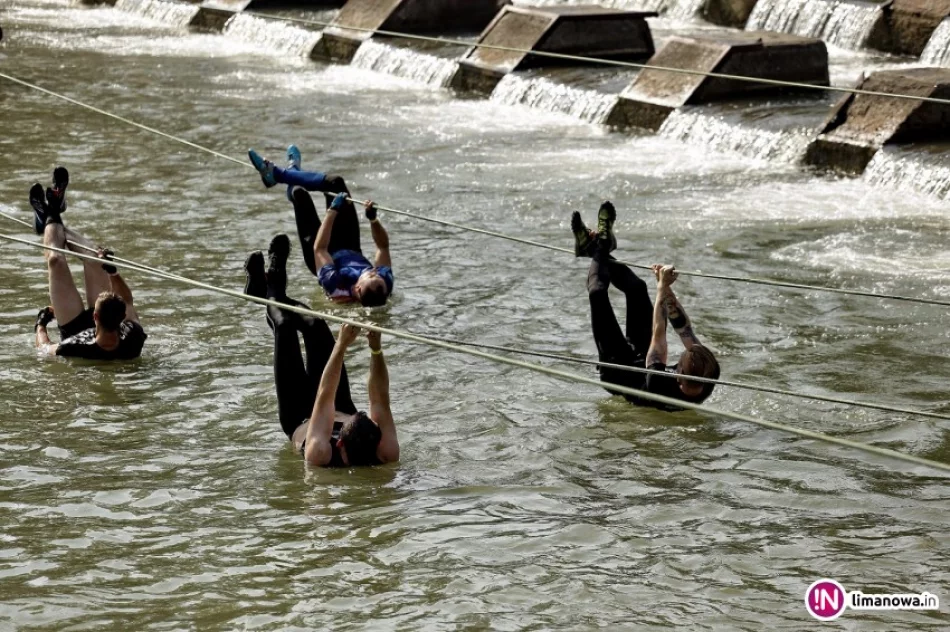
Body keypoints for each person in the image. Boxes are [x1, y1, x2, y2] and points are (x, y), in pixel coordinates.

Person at [245, 234, 399, 467]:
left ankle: (273, 284)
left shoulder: (320, 453)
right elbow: (380, 399)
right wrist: (376, 350)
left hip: (299, 415)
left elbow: (325, 395)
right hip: (340, 403)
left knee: (284, 326)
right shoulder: (386, 451)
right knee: (315, 324)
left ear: (339, 443)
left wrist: (341, 345)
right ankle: (267, 292)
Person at [572, 201, 720, 409]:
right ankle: (593, 247)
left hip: (618, 372)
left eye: (678, 365)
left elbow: (659, 333)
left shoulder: (658, 385)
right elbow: (683, 327)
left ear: (680, 377)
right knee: (637, 288)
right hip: (643, 358)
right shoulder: (708, 373)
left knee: (597, 293)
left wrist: (662, 287)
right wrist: (666, 287)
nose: (676, 363)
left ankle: (600, 245)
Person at [247, 146, 394, 306]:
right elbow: (383, 247)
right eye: (376, 274)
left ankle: (286, 173)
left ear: (357, 289)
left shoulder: (335, 285)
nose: (374, 271)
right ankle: (281, 173)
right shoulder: (383, 284)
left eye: (371, 275)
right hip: (350, 246)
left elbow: (320, 249)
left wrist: (332, 211)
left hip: (320, 254)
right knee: (336, 183)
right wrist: (373, 219)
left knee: (299, 194)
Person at [31, 169, 146, 360]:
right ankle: (52, 212)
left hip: (72, 324)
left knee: (55, 260)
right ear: (122, 318)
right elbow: (127, 300)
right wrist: (112, 271)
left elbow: (44, 348)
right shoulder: (134, 335)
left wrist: (41, 324)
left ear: (95, 316)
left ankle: (50, 215)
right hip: (106, 317)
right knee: (95, 260)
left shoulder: (75, 346)